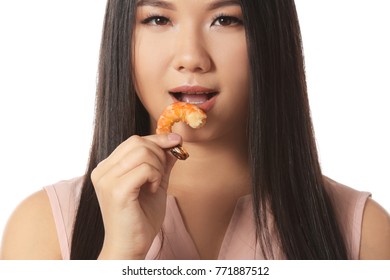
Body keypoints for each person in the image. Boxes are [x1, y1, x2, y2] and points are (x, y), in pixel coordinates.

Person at [1, 0, 389, 260]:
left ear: (271, 39)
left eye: (226, 19)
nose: (191, 57)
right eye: (158, 18)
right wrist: (118, 256)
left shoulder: (363, 232)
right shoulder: (43, 227)